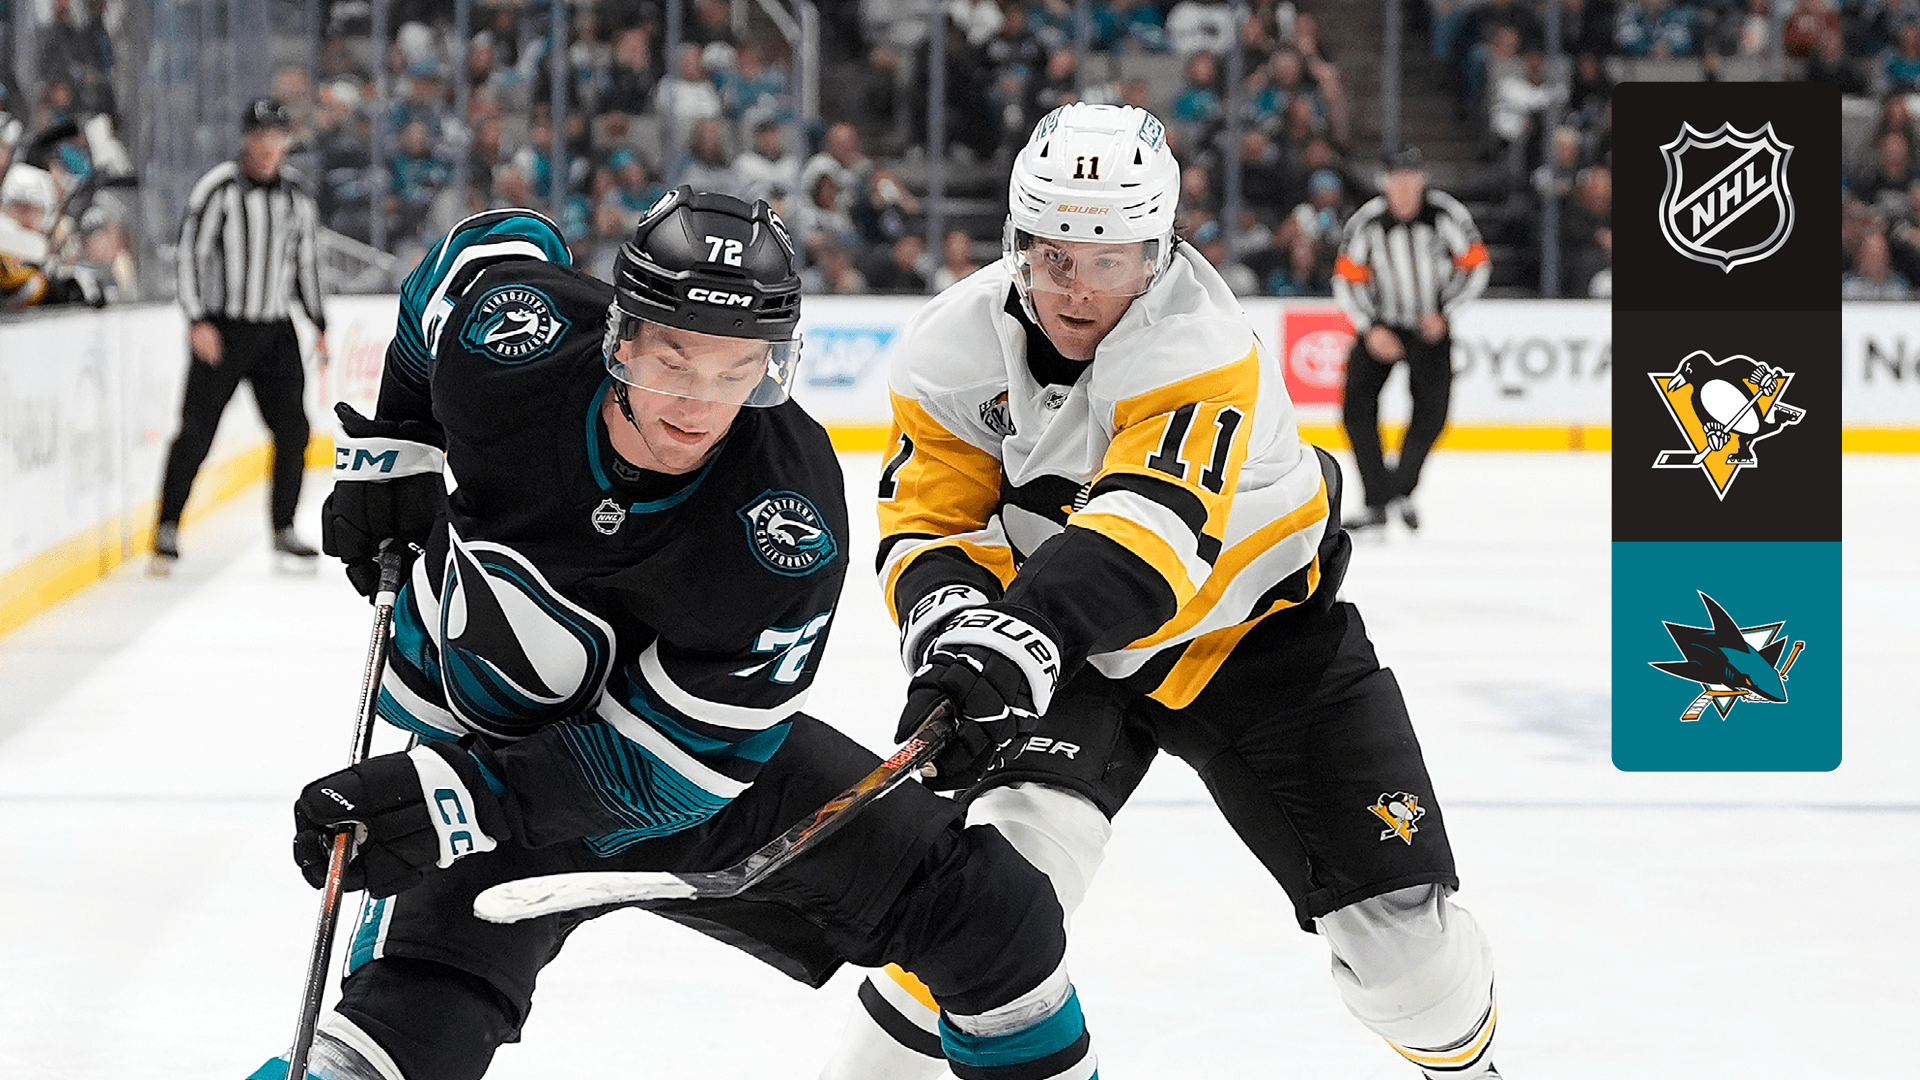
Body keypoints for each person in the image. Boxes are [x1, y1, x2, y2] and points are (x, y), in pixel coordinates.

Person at [248, 194, 1101, 1080]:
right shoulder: (517, 339)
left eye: (739, 371)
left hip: (662, 771)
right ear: (620, 339)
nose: (699, 405)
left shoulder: (787, 517)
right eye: (674, 362)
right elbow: (480, 248)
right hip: (486, 731)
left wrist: (459, 797)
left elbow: (675, 772)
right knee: (411, 1030)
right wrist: (401, 443)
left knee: (995, 919)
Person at [819, 104, 1503, 1080]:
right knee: (988, 896)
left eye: (1111, 260)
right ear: (1017, 242)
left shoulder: (1198, 343)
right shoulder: (951, 348)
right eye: (1056, 255)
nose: (1079, 287)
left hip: (1257, 638)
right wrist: (954, 637)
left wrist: (1005, 648)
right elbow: (932, 525)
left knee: (1411, 966)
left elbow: (1143, 538)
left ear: (1159, 252)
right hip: (1071, 653)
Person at [153, 98, 328, 574]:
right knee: (196, 431)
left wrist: (319, 322)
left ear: (286, 141)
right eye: (261, 135)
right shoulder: (218, 189)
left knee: (294, 429)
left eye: (277, 136)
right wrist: (197, 320)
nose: (269, 145)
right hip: (223, 329)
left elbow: (306, 263)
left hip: (275, 330)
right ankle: (167, 524)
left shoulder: (297, 196)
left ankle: (284, 527)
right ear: (246, 139)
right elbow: (190, 256)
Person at [1332, 145, 1489, 533]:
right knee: (1355, 409)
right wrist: (1370, 326)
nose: (1404, 188)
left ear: (1422, 180)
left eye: (1411, 178)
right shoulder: (1367, 221)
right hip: (1382, 325)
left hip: (1430, 325)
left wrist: (1445, 312)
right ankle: (1378, 499)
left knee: (1433, 412)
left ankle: (1398, 489)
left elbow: (1476, 264)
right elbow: (1345, 278)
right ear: (1384, 182)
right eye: (1397, 179)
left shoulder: (1446, 214)